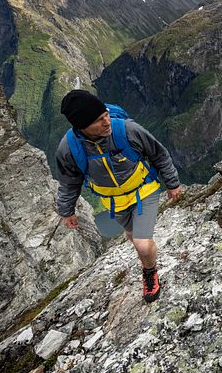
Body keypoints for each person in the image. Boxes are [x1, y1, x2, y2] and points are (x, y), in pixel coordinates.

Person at [55, 90, 182, 303]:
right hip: (114, 201)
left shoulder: (127, 130)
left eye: (106, 114)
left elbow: (158, 153)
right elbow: (69, 181)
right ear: (82, 127)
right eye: (99, 120)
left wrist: (172, 183)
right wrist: (66, 210)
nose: (107, 122)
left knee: (141, 243)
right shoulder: (69, 149)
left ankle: (149, 273)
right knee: (132, 236)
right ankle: (146, 259)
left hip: (145, 191)